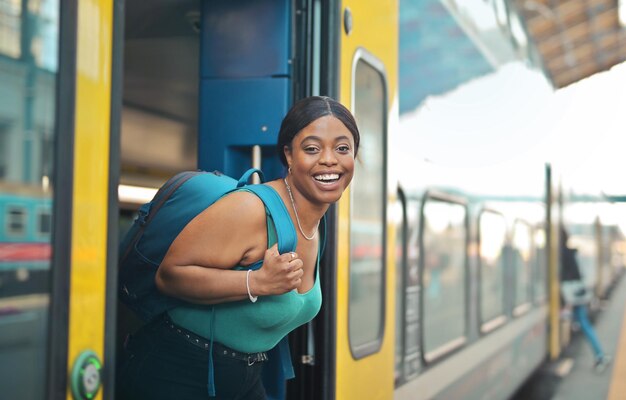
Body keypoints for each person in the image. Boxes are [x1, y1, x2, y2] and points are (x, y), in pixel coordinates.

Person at [116, 96, 360, 399]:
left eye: (342, 148)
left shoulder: (315, 223)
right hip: (175, 371)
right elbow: (169, 276)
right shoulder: (250, 209)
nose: (329, 159)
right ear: (289, 155)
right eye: (312, 148)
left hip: (243, 375)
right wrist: (257, 281)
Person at [559, 226, 611, 373]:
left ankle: (600, 356)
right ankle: (600, 355)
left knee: (583, 323)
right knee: (583, 322)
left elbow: (566, 279)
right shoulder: (571, 253)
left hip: (572, 296)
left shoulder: (562, 255)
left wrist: (567, 304)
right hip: (577, 294)